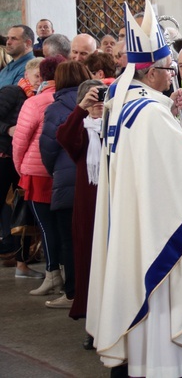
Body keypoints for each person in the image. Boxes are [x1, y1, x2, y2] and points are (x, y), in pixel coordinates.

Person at [87, 0, 182, 378]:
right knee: (158, 297)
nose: (174, 75)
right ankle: (158, 367)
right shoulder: (149, 113)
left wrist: (168, 104)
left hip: (130, 223)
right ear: (151, 73)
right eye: (170, 69)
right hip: (152, 226)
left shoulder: (124, 102)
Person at [39, 61, 93, 309]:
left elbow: (49, 147)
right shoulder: (95, 100)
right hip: (93, 183)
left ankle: (73, 293)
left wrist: (55, 172)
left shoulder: (56, 107)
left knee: (71, 242)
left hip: (66, 180)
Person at [55, 78, 105, 348]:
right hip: (87, 205)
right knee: (88, 263)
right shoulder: (81, 127)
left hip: (113, 202)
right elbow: (64, 138)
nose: (96, 103)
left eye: (99, 98)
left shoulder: (114, 125)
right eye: (90, 98)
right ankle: (94, 325)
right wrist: (82, 110)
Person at [12, 55, 66, 286]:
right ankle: (66, 273)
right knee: (64, 226)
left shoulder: (34, 102)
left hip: (37, 173)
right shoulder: (71, 97)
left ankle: (52, 273)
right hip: (63, 171)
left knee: (46, 228)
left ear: (42, 76)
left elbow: (20, 141)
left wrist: (20, 169)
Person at [0, 57, 44, 276]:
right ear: (27, 75)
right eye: (37, 76)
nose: (40, 80)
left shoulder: (39, 97)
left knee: (22, 210)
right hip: (4, 157)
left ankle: (22, 263)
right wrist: (8, 128)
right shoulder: (12, 92)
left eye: (44, 76)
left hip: (22, 160)